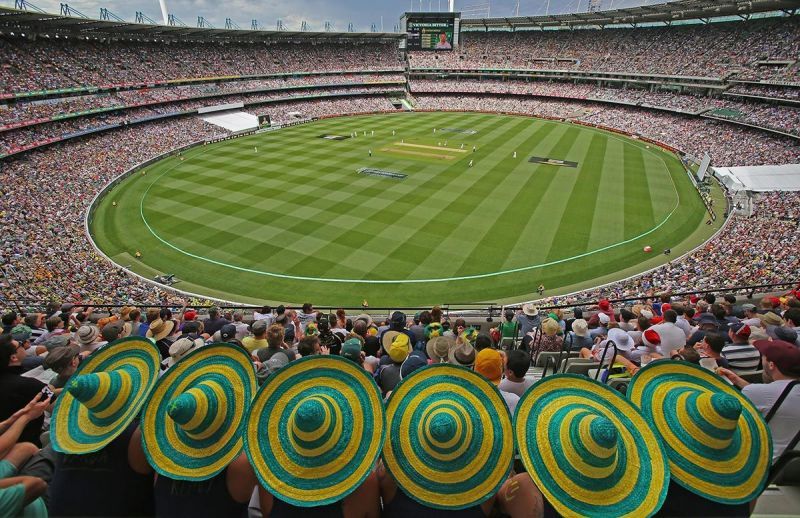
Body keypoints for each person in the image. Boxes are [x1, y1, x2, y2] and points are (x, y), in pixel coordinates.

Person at [717, 339, 800, 462]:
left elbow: (729, 425)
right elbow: (774, 396)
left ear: (771, 365)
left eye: (764, 357)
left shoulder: (758, 393)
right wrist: (737, 380)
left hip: (766, 464)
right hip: (793, 464)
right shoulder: (764, 393)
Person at [0, 335, 46, 446]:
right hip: (27, 448)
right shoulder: (32, 385)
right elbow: (58, 405)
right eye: (20, 344)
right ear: (13, 357)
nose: (23, 345)